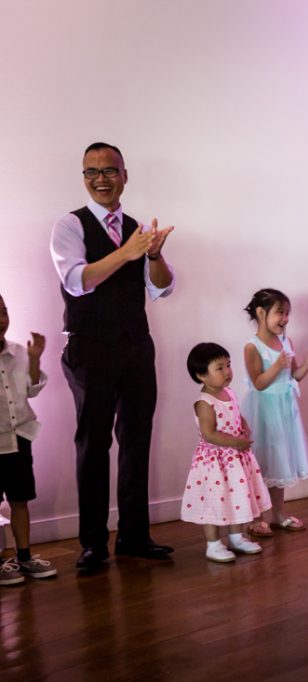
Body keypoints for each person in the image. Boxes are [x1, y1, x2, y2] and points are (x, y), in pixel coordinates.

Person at [50, 142, 176, 571]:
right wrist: (127, 252)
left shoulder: (138, 228)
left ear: (125, 174)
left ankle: (135, 536)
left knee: (137, 439)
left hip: (135, 345)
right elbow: (76, 281)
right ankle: (92, 543)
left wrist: (154, 254)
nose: (101, 178)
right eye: (92, 172)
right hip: (89, 347)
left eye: (109, 170)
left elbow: (160, 287)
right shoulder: (69, 225)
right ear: (84, 178)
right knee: (93, 443)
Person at [240, 289, 308, 535]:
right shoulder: (252, 346)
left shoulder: (286, 342)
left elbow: (294, 375)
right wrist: (277, 364)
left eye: (287, 313)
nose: (285, 318)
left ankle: (278, 514)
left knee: (280, 464)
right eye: (280, 312)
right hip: (264, 411)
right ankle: (256, 518)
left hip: (285, 409)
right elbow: (258, 382)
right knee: (260, 464)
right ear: (261, 312)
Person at [182, 343, 270, 563]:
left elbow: (236, 415)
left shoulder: (228, 392)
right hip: (215, 462)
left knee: (237, 498)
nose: (227, 371)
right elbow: (209, 434)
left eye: (228, 365)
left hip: (234, 461)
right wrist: (235, 442)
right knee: (214, 502)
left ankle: (236, 537)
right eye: (219, 368)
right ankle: (213, 544)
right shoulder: (204, 403)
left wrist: (244, 426)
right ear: (201, 375)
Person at [0, 293, 58, 584]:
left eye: (3, 311)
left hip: (19, 436)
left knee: (20, 500)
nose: (1, 320)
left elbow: (32, 389)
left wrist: (35, 359)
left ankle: (24, 558)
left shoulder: (19, 352)